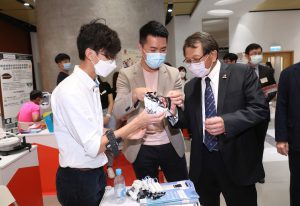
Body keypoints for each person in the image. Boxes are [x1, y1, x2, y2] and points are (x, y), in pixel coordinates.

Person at [51, 19, 164, 206]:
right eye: (108, 55)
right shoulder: (70, 91)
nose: (113, 61)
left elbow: (97, 132)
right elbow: (93, 146)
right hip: (78, 179)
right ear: (90, 54)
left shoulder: (92, 86)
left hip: (95, 172)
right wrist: (135, 124)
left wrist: (127, 131)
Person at [170, 32, 269, 205]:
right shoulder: (191, 86)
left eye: (196, 58)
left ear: (213, 54)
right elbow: (187, 122)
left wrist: (227, 123)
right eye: (188, 60)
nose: (193, 65)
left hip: (236, 159)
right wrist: (172, 112)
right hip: (203, 163)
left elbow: (260, 109)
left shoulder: (241, 73)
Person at [113, 20, 188, 182]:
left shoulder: (174, 73)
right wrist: (133, 95)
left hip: (171, 142)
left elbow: (183, 110)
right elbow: (117, 111)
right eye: (153, 50)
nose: (158, 55)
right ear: (141, 48)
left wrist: (180, 101)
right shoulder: (126, 75)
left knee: (181, 189)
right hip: (141, 147)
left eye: (163, 50)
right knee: (149, 194)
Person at [245, 43, 277, 184]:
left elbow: (273, 89)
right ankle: (247, 169)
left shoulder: (267, 71)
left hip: (262, 113)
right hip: (245, 114)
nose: (257, 55)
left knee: (259, 143)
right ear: (247, 56)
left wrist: (262, 99)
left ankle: (259, 171)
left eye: (259, 52)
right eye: (254, 53)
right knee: (247, 144)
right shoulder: (241, 71)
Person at [275, 62, 300, 206]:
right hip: (297, 138)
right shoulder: (288, 74)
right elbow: (282, 107)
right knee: (297, 183)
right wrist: (281, 138)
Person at [98, 76, 117, 179]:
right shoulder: (88, 88)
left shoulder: (105, 85)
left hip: (108, 113)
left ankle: (109, 166)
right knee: (98, 142)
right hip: (94, 115)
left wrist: (108, 116)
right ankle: (99, 168)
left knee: (111, 140)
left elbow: (111, 102)